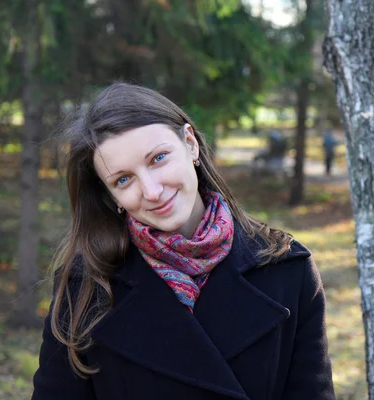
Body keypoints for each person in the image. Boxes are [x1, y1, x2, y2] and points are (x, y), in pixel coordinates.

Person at [32, 83, 335, 400]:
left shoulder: (287, 269)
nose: (151, 191)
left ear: (190, 144)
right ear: (112, 196)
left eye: (158, 158)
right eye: (123, 179)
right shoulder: (87, 286)